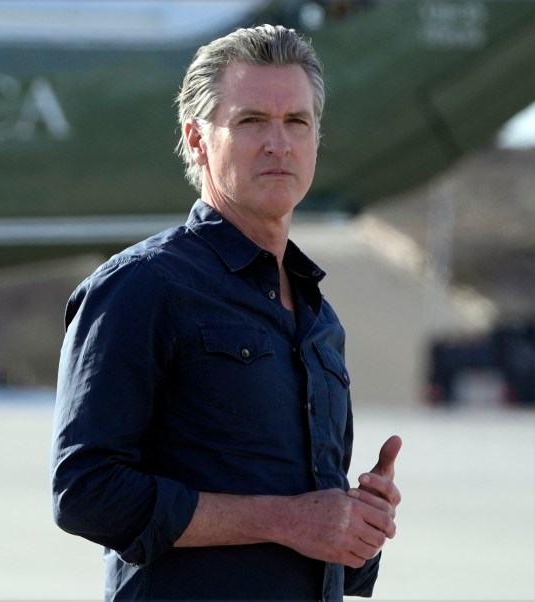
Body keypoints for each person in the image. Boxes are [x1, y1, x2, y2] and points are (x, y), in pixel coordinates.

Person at [50, 24, 402, 602]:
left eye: (297, 122)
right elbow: (86, 493)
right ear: (196, 139)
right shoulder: (143, 286)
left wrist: (357, 527)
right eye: (250, 120)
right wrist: (286, 519)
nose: (278, 143)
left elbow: (316, 534)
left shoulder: (319, 318)